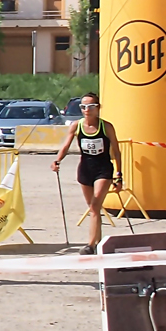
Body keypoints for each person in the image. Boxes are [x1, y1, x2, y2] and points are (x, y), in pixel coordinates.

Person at [50, 92, 122, 254]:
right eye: (83, 107)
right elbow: (66, 145)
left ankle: (90, 245)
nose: (86, 110)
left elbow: (117, 151)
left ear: (98, 108)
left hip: (103, 169)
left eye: (90, 106)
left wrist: (119, 174)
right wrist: (57, 160)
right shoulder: (77, 126)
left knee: (96, 205)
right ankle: (99, 243)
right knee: (93, 208)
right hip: (85, 169)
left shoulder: (106, 126)